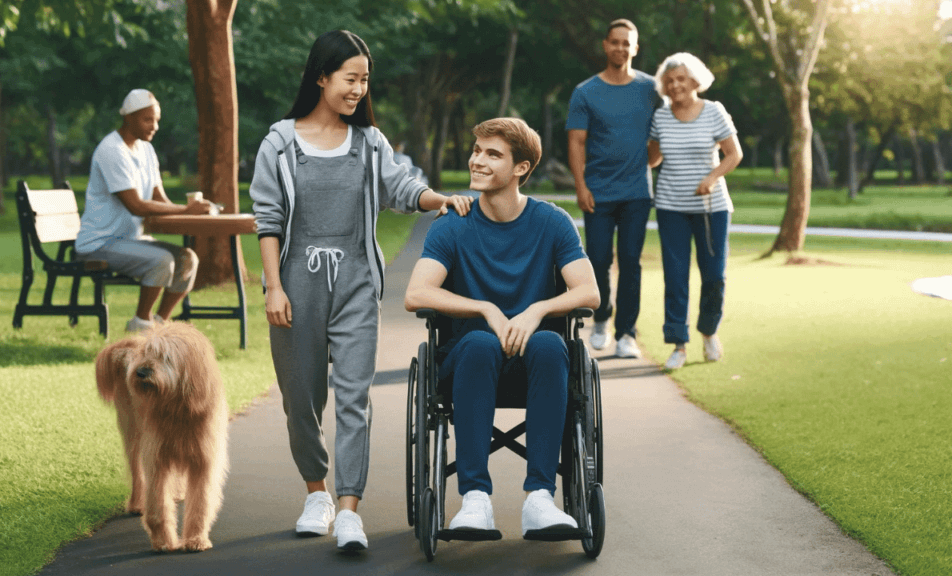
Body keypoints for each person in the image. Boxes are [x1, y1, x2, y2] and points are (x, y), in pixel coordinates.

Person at [248, 30, 473, 551]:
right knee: (300, 401)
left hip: (354, 284)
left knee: (354, 398)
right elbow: (267, 219)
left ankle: (349, 508)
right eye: (350, 78)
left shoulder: (369, 142)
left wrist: (438, 198)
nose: (358, 88)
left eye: (364, 79)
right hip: (296, 286)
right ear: (321, 76)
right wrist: (274, 288)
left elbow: (400, 185)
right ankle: (317, 493)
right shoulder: (279, 142)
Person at [404, 118, 600, 536]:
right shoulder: (453, 224)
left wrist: (537, 310)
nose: (477, 160)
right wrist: (486, 309)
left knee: (550, 344)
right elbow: (416, 294)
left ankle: (540, 501)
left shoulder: (552, 222)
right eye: (477, 151)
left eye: (492, 154)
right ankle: (475, 500)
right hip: (470, 361)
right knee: (478, 343)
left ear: (521, 169)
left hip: (538, 363)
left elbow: (589, 293)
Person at [75, 89, 213, 333]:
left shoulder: (146, 150)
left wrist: (191, 213)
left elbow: (159, 197)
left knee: (187, 259)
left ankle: (158, 326)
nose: (155, 126)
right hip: (100, 243)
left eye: (157, 119)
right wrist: (185, 210)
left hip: (132, 240)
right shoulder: (112, 150)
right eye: (148, 119)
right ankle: (139, 325)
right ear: (129, 118)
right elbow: (136, 205)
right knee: (162, 261)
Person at [566, 18, 661, 357]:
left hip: (637, 193)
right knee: (599, 259)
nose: (621, 48)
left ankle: (627, 335)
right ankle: (602, 320)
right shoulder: (586, 92)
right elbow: (576, 142)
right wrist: (581, 186)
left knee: (631, 262)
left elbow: (664, 128)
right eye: (615, 42)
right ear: (605, 46)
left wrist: (650, 159)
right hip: (599, 192)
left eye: (627, 43)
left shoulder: (652, 89)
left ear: (635, 48)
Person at [647, 53, 743, 370]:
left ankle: (709, 331)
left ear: (695, 81)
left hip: (710, 208)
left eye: (681, 79)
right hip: (671, 206)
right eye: (670, 80)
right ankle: (678, 344)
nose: (675, 85)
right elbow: (653, 159)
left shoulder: (713, 111)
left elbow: (733, 154)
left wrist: (712, 178)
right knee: (676, 278)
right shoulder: (660, 116)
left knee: (714, 274)